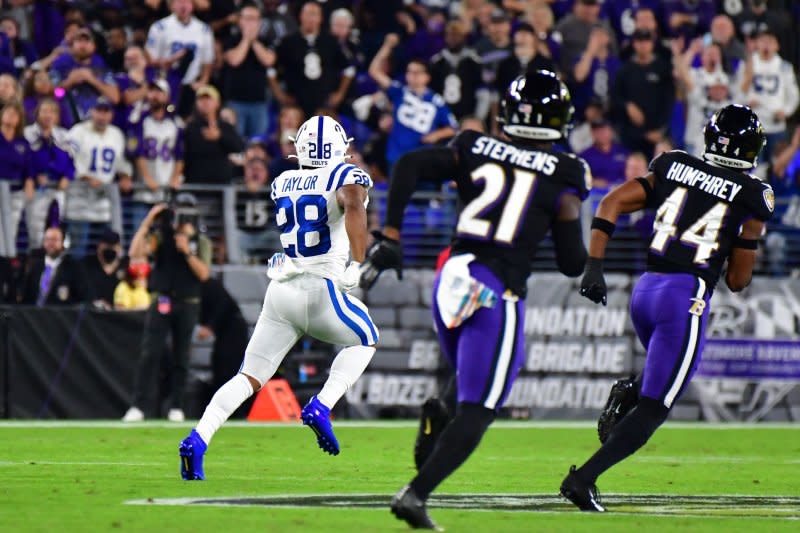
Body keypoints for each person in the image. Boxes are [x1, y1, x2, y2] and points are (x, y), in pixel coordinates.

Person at [361, 71, 591, 530]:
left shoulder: (473, 144)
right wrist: (568, 218)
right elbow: (570, 262)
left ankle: (441, 408)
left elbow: (407, 164)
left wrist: (389, 233)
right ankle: (416, 495)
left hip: (452, 276)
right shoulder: (567, 171)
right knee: (482, 406)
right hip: (494, 287)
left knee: (467, 385)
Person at [560, 104, 774, 512]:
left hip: (646, 291)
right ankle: (582, 479)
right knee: (655, 407)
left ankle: (630, 391)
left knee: (670, 374)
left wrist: (594, 267)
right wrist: (744, 241)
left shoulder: (674, 164)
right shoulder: (753, 195)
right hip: (685, 296)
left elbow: (610, 203)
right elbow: (737, 281)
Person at [178, 115, 378, 480]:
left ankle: (198, 437)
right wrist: (359, 262)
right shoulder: (343, 176)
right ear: (340, 148)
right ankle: (322, 405)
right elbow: (352, 201)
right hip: (320, 287)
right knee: (366, 339)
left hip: (282, 289)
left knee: (249, 376)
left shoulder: (283, 181)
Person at [123, 193, 212, 423]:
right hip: (162, 298)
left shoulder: (200, 241)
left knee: (181, 355)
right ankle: (139, 405)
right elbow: (135, 253)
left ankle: (176, 406)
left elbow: (204, 274)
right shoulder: (161, 236)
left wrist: (186, 250)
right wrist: (149, 220)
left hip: (188, 302)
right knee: (149, 352)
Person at [368, 33, 458, 172]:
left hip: (423, 158)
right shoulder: (400, 91)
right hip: (397, 157)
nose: (412, 76)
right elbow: (374, 71)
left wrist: (436, 135)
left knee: (425, 193)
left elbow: (453, 127)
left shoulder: (436, 100)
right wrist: (387, 46)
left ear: (427, 77)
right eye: (410, 72)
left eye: (417, 72)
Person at [64, 97, 132, 258]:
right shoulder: (78, 132)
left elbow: (121, 163)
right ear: (92, 111)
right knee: (77, 252)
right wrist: (84, 176)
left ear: (111, 114)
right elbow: (65, 159)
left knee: (104, 254)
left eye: (106, 111)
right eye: (98, 111)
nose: (102, 116)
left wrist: (125, 175)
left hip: (104, 205)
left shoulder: (116, 135)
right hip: (79, 201)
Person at [268, 1, 355, 118]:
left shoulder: (331, 42)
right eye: (308, 14)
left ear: (321, 18)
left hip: (324, 104)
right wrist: (280, 94)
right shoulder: (288, 42)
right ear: (301, 16)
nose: (311, 18)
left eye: (314, 14)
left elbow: (349, 69)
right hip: (295, 104)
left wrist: (339, 94)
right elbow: (270, 70)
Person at [737, 27, 799, 165]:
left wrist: (786, 111)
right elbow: (737, 91)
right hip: (752, 127)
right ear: (756, 44)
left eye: (770, 41)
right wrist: (746, 102)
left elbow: (794, 96)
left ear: (777, 46)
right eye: (763, 41)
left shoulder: (784, 67)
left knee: (778, 166)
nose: (766, 45)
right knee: (752, 166)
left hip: (776, 126)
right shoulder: (747, 65)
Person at [127, 79, 184, 230]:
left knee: (164, 237)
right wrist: (147, 178)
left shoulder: (175, 123)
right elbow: (137, 152)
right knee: (140, 233)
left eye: (159, 92)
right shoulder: (139, 120)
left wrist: (174, 178)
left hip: (165, 191)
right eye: (152, 91)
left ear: (167, 96)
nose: (155, 95)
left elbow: (179, 155)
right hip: (143, 191)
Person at [145, 0, 215, 118]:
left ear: (193, 5)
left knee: (187, 121)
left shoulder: (204, 29)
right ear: (171, 5)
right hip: (167, 83)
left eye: (187, 2)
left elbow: (208, 60)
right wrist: (173, 59)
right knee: (166, 118)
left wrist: (203, 81)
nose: (183, 5)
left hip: (191, 84)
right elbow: (150, 60)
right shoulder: (159, 27)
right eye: (179, 1)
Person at [611, 28, 675, 157]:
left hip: (657, 133)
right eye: (639, 41)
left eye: (646, 41)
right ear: (634, 44)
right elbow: (615, 96)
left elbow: (669, 100)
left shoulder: (662, 68)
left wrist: (660, 130)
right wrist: (627, 105)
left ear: (652, 44)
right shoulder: (625, 69)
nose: (643, 45)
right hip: (632, 134)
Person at [222, 2, 275, 138]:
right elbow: (234, 60)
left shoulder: (265, 40)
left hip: (259, 102)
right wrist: (246, 40)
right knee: (236, 140)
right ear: (240, 20)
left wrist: (254, 42)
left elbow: (269, 60)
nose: (251, 23)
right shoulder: (231, 40)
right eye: (247, 18)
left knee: (258, 141)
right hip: (235, 101)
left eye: (255, 19)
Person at [49, 26, 120, 125]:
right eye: (79, 41)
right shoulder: (60, 66)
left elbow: (115, 98)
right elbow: (54, 95)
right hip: (67, 124)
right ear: (72, 45)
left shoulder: (101, 67)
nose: (83, 45)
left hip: (96, 123)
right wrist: (69, 82)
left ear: (94, 46)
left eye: (87, 41)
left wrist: (91, 79)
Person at [182, 84, 243, 185]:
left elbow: (238, 147)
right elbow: (187, 151)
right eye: (201, 99)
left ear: (217, 103)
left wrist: (220, 136)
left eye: (209, 99)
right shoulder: (190, 127)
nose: (205, 102)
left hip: (221, 184)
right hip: (196, 183)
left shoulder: (225, 126)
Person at [20, 226, 88, 306]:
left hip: (60, 317)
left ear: (64, 243)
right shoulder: (35, 267)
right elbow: (26, 297)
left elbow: (81, 297)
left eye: (54, 239)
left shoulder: (74, 269)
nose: (50, 243)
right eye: (47, 239)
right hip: (33, 316)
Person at [82, 229, 127, 309]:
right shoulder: (87, 265)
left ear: (119, 248)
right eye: (107, 245)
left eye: (113, 245)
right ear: (99, 246)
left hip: (120, 315)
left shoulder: (125, 265)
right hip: (94, 315)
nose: (110, 248)